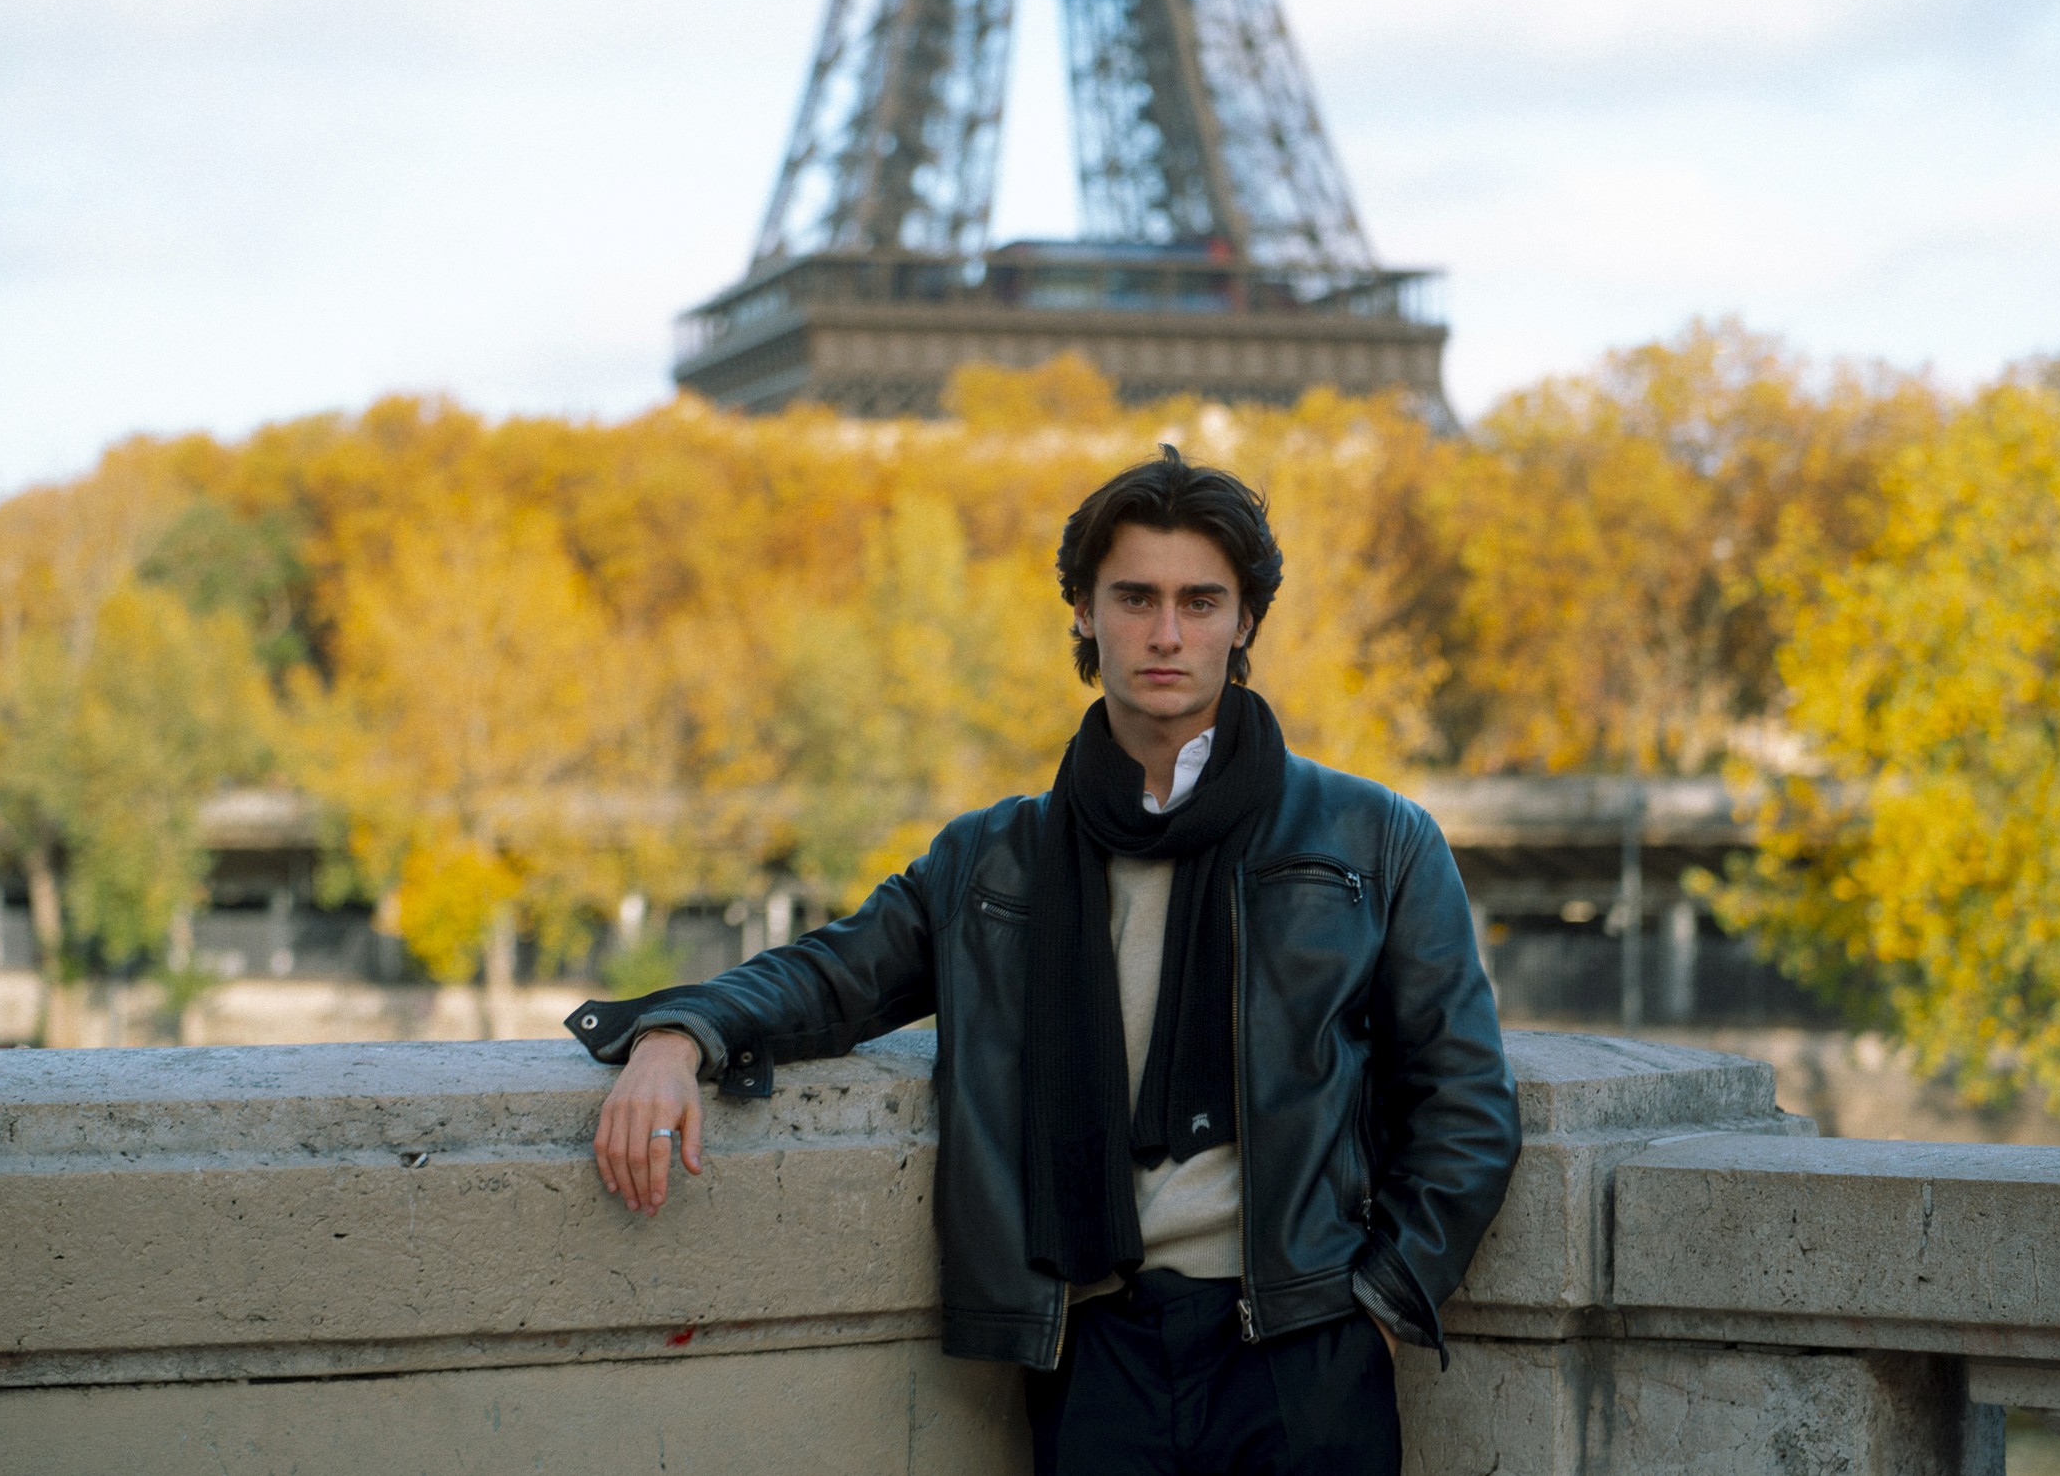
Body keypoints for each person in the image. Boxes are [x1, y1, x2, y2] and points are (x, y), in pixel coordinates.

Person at [569, 446, 1519, 1476]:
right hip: (1094, 1348)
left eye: (1200, 601)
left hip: (1303, 1345)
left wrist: (1372, 1312)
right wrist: (675, 1033)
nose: (1165, 632)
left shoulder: (1374, 837)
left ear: (1244, 621)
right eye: (1135, 597)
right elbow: (831, 974)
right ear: (1082, 609)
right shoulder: (994, 857)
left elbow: (1465, 1101)